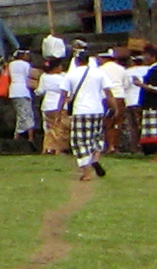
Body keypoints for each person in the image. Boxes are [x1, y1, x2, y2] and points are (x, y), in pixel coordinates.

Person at [69, 47, 112, 181]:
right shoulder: (99, 73)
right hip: (98, 110)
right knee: (97, 138)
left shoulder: (71, 74)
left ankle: (87, 172)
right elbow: (108, 92)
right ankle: (95, 158)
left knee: (79, 141)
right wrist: (114, 107)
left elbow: (64, 94)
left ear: (77, 61)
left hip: (80, 111)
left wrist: (60, 110)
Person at [132, 49, 157, 162]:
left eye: (146, 55)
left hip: (154, 104)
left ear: (153, 56)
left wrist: (141, 85)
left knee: (156, 132)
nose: (144, 58)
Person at [38, 55, 72, 157]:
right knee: (61, 128)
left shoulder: (44, 77)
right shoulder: (63, 77)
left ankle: (47, 148)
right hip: (59, 105)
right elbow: (67, 92)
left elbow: (40, 91)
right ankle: (59, 149)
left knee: (48, 128)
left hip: (47, 105)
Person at [5, 48, 37, 148]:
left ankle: (17, 135)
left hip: (13, 90)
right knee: (27, 114)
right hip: (23, 90)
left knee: (21, 114)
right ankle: (30, 137)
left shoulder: (11, 64)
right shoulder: (25, 65)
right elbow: (30, 76)